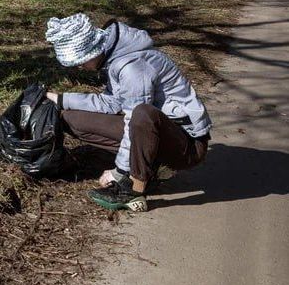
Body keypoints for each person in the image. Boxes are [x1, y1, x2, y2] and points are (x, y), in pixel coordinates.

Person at [44, 13, 212, 212]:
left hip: (187, 147)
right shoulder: (114, 58)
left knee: (143, 113)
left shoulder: (132, 68)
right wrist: (62, 99)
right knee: (71, 119)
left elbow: (136, 118)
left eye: (79, 61)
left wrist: (119, 171)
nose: (80, 67)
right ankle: (149, 165)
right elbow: (112, 103)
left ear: (92, 51)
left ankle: (133, 187)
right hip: (156, 134)